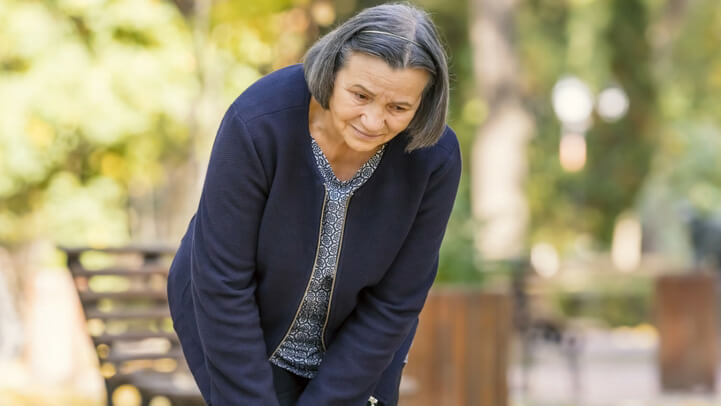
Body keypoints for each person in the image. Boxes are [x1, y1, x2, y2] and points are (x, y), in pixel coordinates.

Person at [167, 3, 461, 405]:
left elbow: (396, 301)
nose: (373, 122)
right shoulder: (257, 123)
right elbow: (223, 282)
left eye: (398, 108)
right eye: (360, 95)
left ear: (423, 103)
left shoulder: (435, 159)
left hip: (356, 347)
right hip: (234, 322)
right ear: (332, 71)